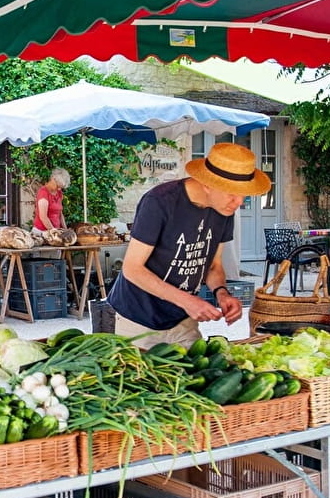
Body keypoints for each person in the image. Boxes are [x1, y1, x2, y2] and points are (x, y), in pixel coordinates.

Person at [105, 142, 267, 349]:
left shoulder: (224, 211)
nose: (238, 202)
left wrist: (222, 293)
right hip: (138, 318)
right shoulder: (159, 202)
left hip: (182, 320)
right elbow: (132, 269)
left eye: (243, 194)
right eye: (232, 193)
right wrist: (188, 301)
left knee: (197, 376)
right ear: (208, 184)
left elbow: (213, 265)